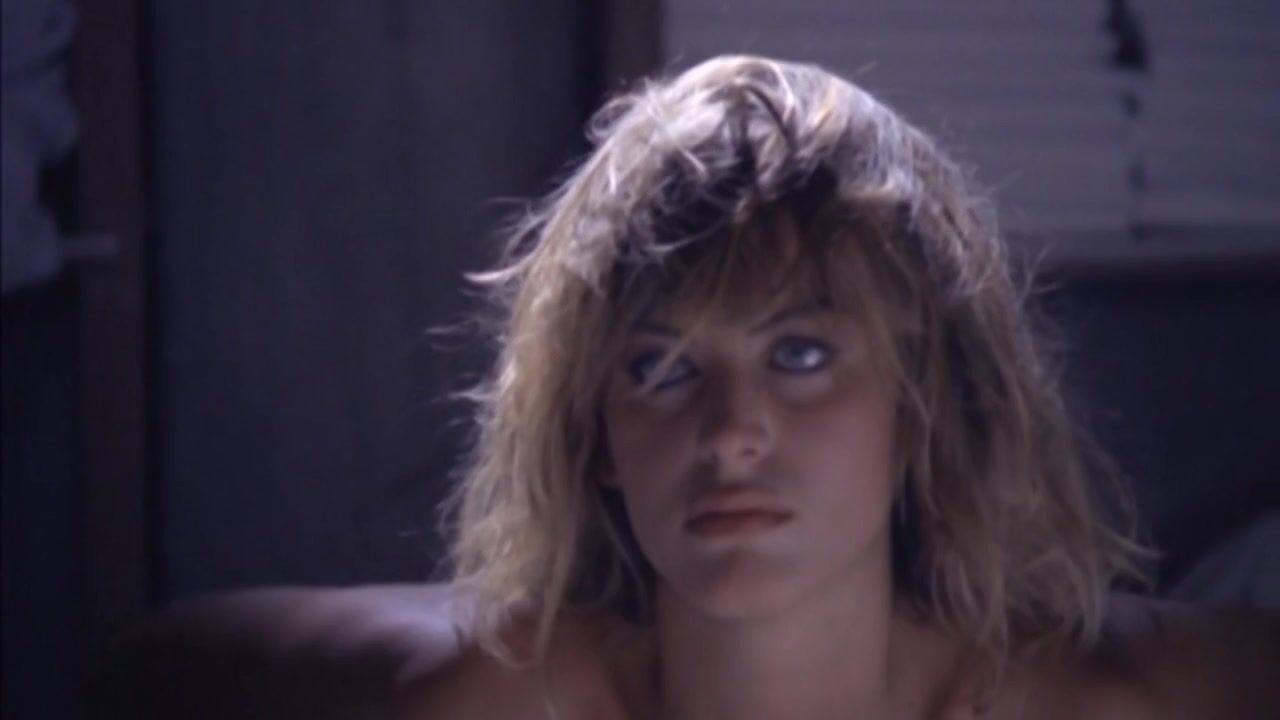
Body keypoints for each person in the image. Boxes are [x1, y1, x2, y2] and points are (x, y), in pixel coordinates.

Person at [392, 55, 1279, 719]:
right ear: (596, 437)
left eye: (800, 356)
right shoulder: (503, 697)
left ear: (921, 402)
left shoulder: (1101, 700)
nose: (730, 433)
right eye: (661, 369)